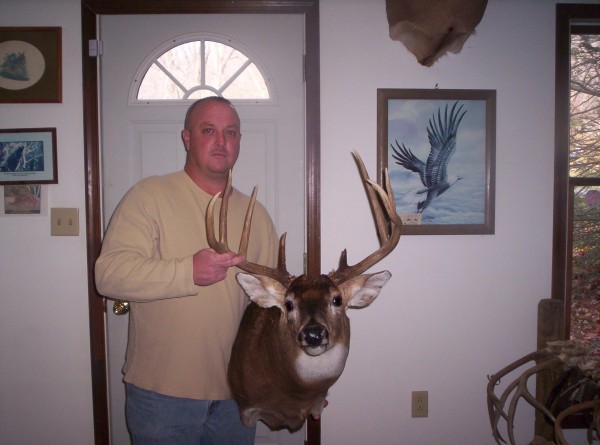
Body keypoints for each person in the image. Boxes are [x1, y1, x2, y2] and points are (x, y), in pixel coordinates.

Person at [95, 96, 279, 445]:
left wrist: (293, 381)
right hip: (162, 396)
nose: (221, 141)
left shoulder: (257, 215)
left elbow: (270, 313)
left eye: (231, 132)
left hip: (236, 393)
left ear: (239, 141)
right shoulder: (148, 196)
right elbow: (108, 274)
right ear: (187, 138)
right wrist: (187, 272)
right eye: (208, 130)